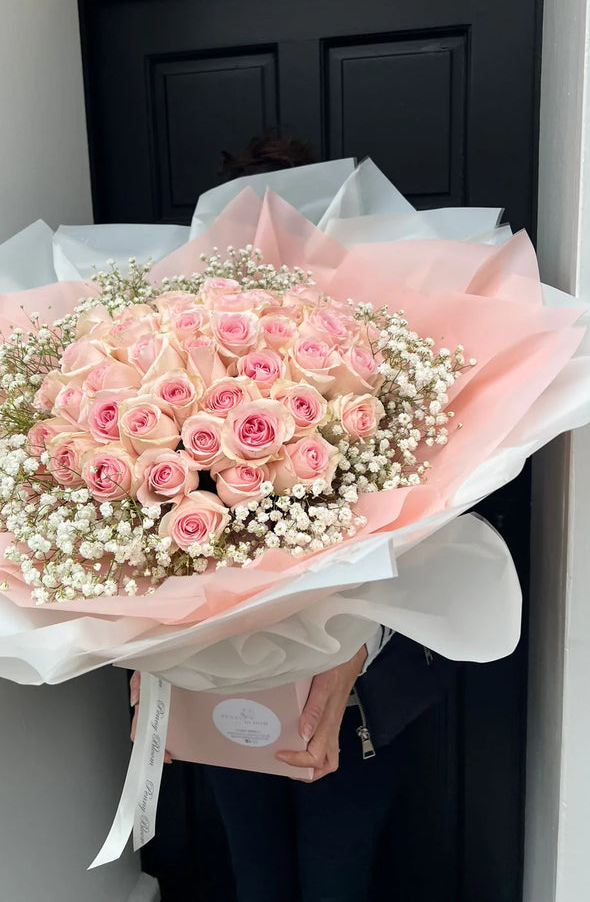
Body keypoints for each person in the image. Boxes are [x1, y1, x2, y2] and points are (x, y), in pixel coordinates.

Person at [131, 133, 455, 902]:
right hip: (230, 686)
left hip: (363, 693)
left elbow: (443, 537)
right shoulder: (178, 368)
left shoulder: (389, 359)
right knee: (257, 877)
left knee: (339, 876)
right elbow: (144, 541)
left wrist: (350, 653)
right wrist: (150, 666)